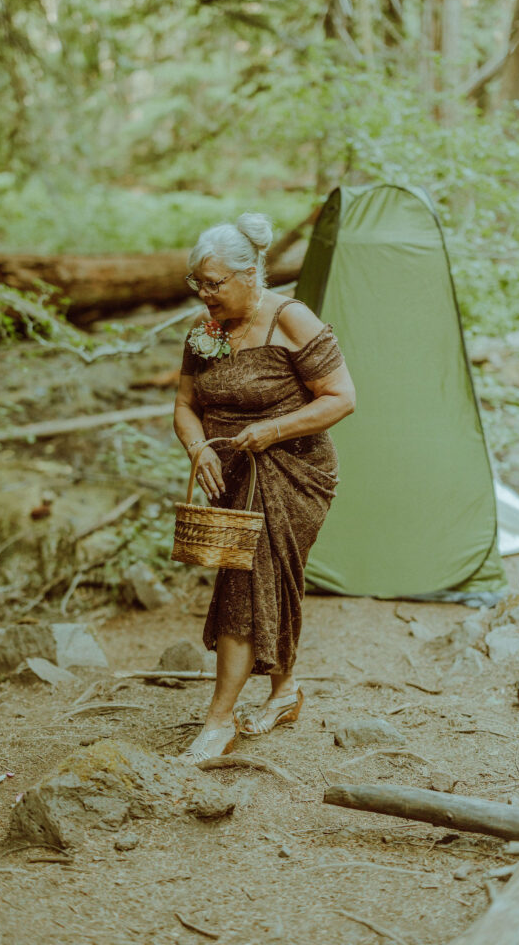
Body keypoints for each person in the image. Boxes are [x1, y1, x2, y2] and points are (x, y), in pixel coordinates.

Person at [173, 212, 356, 763]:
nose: (204, 294)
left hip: (297, 473)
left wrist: (272, 429)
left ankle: (218, 720)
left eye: (214, 283)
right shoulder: (204, 332)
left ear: (251, 273)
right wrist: (200, 447)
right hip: (232, 480)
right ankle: (285, 692)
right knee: (275, 584)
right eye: (198, 284)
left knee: (249, 583)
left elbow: (342, 398)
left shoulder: (292, 320)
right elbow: (184, 406)